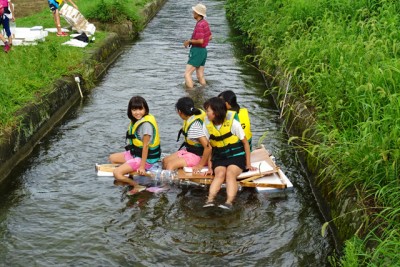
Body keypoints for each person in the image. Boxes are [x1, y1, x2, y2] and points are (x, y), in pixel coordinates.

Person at [202, 97, 256, 209]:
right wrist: (210, 167)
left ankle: (229, 202)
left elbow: (245, 143)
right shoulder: (207, 125)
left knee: (230, 173)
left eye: (208, 111)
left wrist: (248, 163)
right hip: (219, 157)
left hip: (236, 156)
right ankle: (210, 200)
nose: (206, 113)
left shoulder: (234, 124)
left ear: (216, 112)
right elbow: (209, 146)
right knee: (220, 174)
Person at [109, 96, 162, 195]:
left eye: (140, 109)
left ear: (145, 109)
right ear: (130, 110)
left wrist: (142, 167)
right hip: (136, 154)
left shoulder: (146, 125)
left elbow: (145, 146)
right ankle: (129, 174)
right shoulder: (136, 121)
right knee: (112, 158)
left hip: (145, 160)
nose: (137, 112)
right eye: (134, 109)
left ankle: (136, 185)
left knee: (116, 173)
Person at [162, 97, 211, 172]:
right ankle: (168, 178)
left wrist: (200, 165)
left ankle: (168, 183)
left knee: (170, 165)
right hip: (190, 151)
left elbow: (208, 147)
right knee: (165, 161)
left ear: (179, 112)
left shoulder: (194, 126)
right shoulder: (191, 117)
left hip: (200, 156)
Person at [183, 3, 212, 89]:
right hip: (203, 51)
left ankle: (191, 94)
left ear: (197, 13)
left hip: (197, 51)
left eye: (194, 11)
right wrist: (202, 42)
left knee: (187, 74)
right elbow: (210, 37)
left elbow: (200, 41)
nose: (193, 12)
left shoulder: (199, 25)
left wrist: (189, 41)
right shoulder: (205, 23)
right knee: (200, 75)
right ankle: (203, 91)